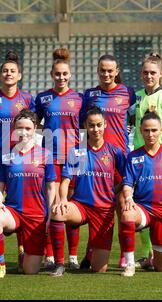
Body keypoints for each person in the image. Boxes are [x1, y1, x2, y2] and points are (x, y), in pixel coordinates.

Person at [0, 51, 36, 272]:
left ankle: (23, 250)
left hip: (21, 159)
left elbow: (35, 125)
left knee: (22, 201)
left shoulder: (28, 99)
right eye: (5, 71)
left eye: (12, 71)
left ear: (19, 75)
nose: (8, 74)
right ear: (0, 75)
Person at [49, 107, 125, 276]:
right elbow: (65, 179)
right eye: (91, 125)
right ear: (85, 126)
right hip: (81, 205)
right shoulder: (76, 151)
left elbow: (127, 177)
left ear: (105, 124)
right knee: (57, 212)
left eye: (99, 125)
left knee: (99, 269)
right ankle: (59, 264)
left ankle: (90, 254)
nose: (95, 129)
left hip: (104, 210)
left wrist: (115, 192)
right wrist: (62, 200)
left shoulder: (115, 152)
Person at [80, 54, 136, 269]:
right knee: (95, 209)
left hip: (119, 159)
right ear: (97, 70)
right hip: (95, 160)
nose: (106, 74)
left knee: (123, 208)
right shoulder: (90, 95)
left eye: (110, 70)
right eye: (102, 70)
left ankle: (125, 255)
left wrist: (129, 126)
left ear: (117, 70)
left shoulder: (128, 93)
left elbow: (136, 115)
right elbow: (82, 124)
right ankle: (89, 253)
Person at [0, 109, 56, 278]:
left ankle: (23, 255)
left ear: (35, 129)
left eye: (28, 128)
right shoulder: (6, 155)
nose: (23, 132)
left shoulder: (45, 155)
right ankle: (0, 264)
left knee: (30, 271)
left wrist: (50, 214)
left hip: (37, 214)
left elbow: (51, 187)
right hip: (13, 211)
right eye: (19, 128)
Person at [119, 111, 162, 277]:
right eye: (147, 130)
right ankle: (129, 264)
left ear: (161, 130)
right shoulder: (134, 156)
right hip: (143, 209)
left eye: (154, 130)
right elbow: (127, 184)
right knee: (127, 215)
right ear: (140, 130)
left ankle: (150, 259)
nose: (151, 134)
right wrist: (128, 198)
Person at [35, 48, 83, 271]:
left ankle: (72, 256)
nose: (61, 77)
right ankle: (50, 256)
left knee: (70, 206)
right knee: (51, 206)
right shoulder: (42, 98)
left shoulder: (78, 99)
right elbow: (33, 122)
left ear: (70, 75)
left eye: (65, 74)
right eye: (57, 74)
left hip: (73, 159)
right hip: (50, 158)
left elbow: (86, 124)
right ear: (51, 74)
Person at [131, 52, 162, 269]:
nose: (148, 76)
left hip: (159, 158)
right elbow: (132, 125)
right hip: (139, 158)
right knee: (140, 202)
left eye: (153, 72)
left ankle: (158, 253)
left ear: (161, 74)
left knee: (159, 203)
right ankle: (146, 255)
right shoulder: (137, 96)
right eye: (145, 72)